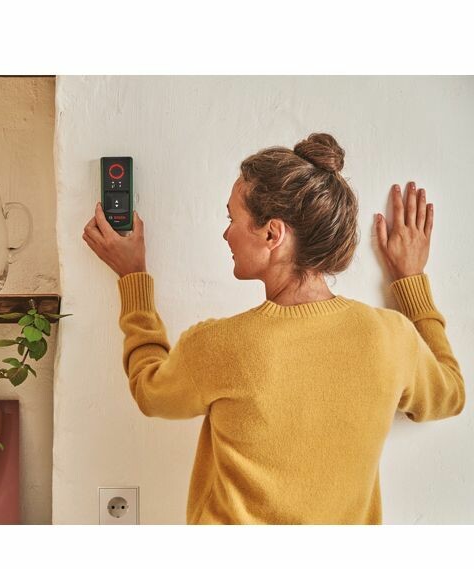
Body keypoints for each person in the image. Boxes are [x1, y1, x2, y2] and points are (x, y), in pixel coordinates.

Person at [81, 133, 465, 524]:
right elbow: (450, 394)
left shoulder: (218, 345)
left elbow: (151, 393)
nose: (226, 233)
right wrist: (412, 280)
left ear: (271, 234)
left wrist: (133, 278)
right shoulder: (391, 338)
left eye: (232, 219)